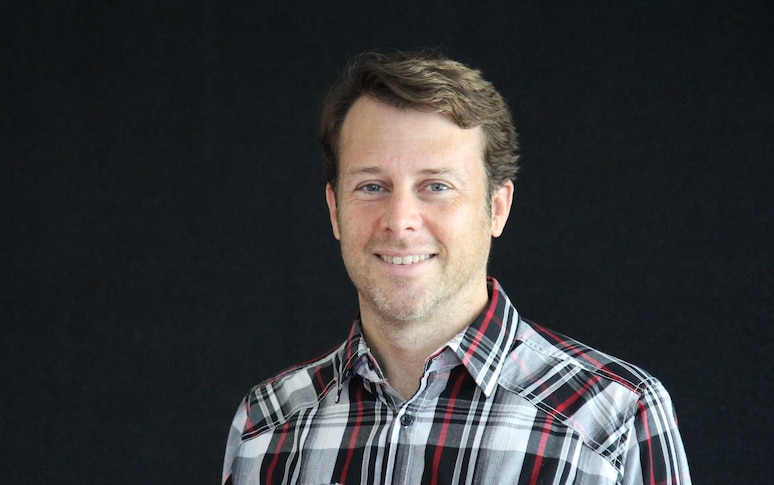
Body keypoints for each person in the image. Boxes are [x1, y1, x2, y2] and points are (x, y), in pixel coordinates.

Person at [222, 50, 691, 484]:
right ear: (334, 211)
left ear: (497, 208)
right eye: (371, 187)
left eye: (437, 186)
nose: (400, 221)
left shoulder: (614, 421)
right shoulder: (265, 427)